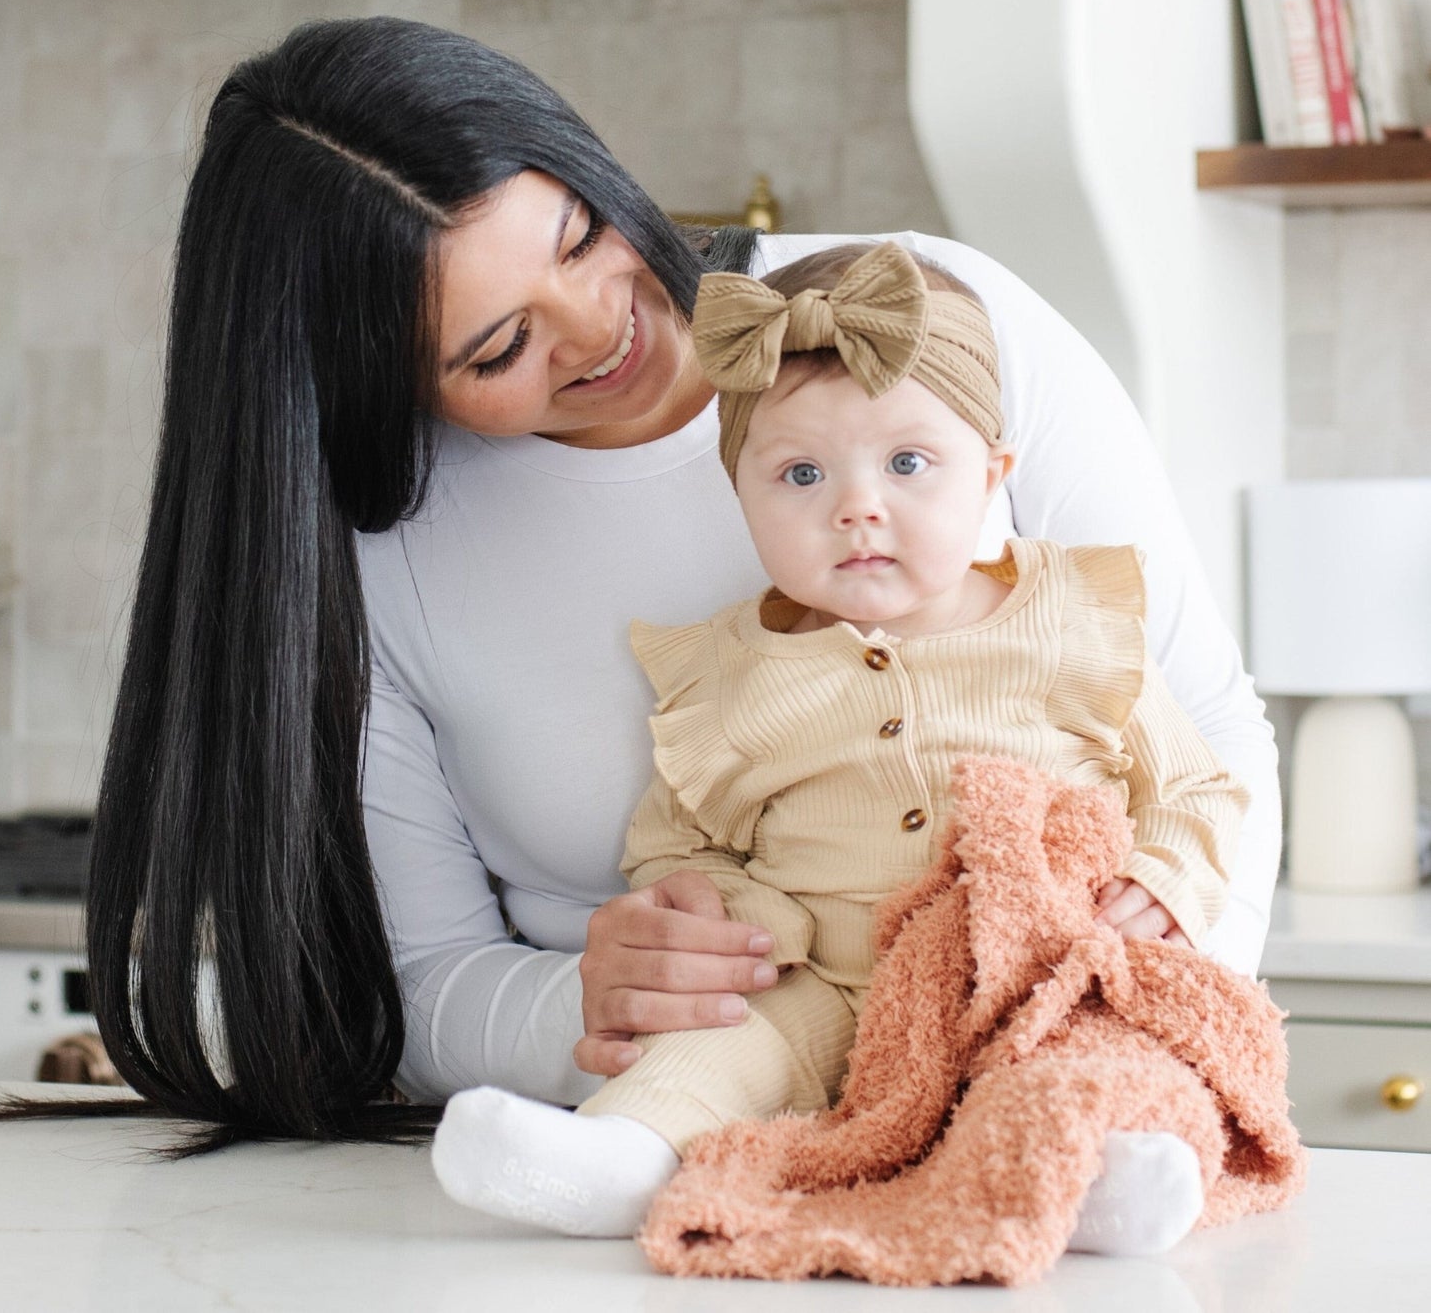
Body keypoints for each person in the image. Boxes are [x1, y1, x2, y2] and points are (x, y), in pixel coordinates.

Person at [65, 17, 1278, 1155]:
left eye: (583, 235)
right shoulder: (369, 556)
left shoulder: (916, 320)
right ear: (374, 383)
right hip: (689, 1157)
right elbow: (423, 988)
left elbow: (1213, 731)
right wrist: (581, 1006)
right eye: (499, 348)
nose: (599, 329)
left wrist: (1137, 1033)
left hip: (1055, 1087)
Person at [427, 240, 1247, 1253]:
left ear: (991, 476)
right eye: (802, 474)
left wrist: (1165, 878)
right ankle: (615, 1158)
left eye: (909, 464)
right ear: (744, 501)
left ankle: (1094, 1173)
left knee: (1076, 1059)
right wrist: (700, 908)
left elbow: (1197, 787)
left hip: (1027, 971)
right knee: (717, 1053)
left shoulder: (1070, 619)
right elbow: (680, 840)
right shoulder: (732, 674)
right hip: (816, 981)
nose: (857, 507)